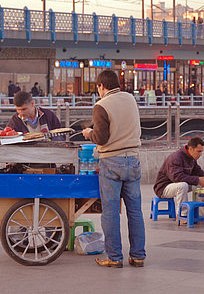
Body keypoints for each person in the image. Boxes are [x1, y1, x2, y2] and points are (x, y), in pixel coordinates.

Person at [82, 70, 145, 268]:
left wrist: (89, 132)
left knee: (110, 211)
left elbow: (101, 138)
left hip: (112, 161)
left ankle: (115, 257)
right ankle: (138, 256)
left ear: (101, 86)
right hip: (133, 159)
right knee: (135, 211)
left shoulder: (101, 105)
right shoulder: (130, 99)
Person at [153, 137, 204, 217]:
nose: (200, 154)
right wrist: (198, 179)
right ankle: (182, 215)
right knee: (182, 186)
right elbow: (177, 178)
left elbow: (197, 171)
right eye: (198, 151)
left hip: (178, 184)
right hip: (164, 188)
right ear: (191, 149)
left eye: (201, 151)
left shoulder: (192, 158)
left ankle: (201, 213)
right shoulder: (176, 158)